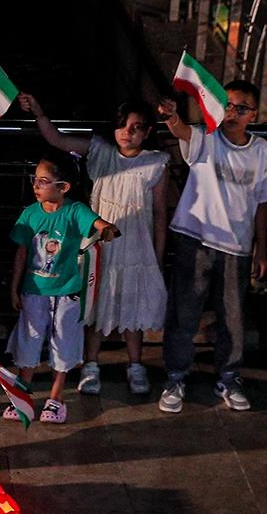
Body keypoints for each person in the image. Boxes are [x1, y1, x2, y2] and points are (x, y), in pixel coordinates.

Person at [19, 93, 168, 397]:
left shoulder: (155, 163)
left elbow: (160, 212)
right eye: (123, 125)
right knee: (94, 304)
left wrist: (158, 253)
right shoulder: (101, 151)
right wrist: (38, 112)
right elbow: (57, 140)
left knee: (132, 304)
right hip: (98, 245)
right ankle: (91, 364)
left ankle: (135, 364)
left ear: (148, 131)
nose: (128, 132)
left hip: (136, 246)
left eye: (136, 127)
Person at [157, 80, 267, 414]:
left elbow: (263, 201)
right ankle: (175, 375)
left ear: (253, 114)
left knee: (232, 317)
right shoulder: (207, 137)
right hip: (195, 236)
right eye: (227, 105)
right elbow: (183, 132)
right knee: (185, 311)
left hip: (236, 245)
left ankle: (229, 376)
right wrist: (171, 116)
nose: (232, 113)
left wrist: (261, 248)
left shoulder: (261, 150)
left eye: (241, 108)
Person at [8, 151, 120, 424]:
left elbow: (99, 225)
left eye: (43, 181)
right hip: (34, 291)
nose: (36, 185)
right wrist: (14, 287)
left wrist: (107, 229)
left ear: (63, 187)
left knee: (63, 343)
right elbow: (21, 253)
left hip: (67, 293)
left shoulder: (75, 211)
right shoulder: (29, 214)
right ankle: (23, 394)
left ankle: (56, 398)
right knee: (29, 341)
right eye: (35, 179)